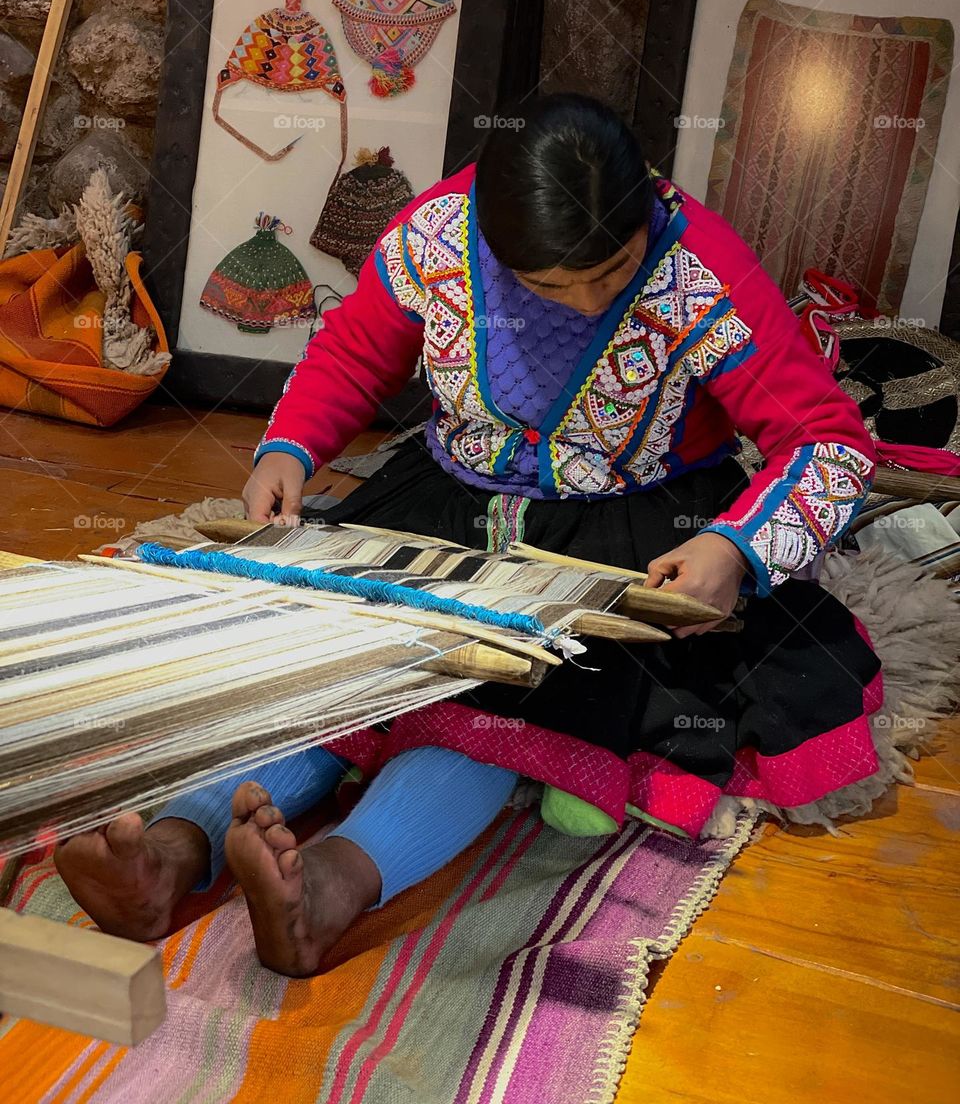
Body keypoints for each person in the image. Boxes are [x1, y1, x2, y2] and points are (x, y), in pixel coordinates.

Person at [56, 94, 881, 977]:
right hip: (445, 505)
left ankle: (335, 882)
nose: (590, 298)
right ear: (491, 245)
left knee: (497, 691)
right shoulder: (435, 238)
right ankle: (175, 852)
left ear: (647, 211)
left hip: (623, 533)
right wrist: (290, 448)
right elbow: (352, 352)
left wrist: (735, 549)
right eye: (553, 287)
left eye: (615, 270)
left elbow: (829, 440)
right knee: (342, 661)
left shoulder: (701, 270)